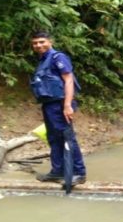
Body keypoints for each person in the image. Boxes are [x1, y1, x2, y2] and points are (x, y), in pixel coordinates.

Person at [30, 31, 86, 186]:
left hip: (60, 104)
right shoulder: (43, 60)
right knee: (53, 138)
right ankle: (58, 171)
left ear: (50, 41)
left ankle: (79, 173)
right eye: (35, 43)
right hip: (49, 104)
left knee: (67, 137)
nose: (38, 45)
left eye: (42, 42)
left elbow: (68, 80)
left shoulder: (58, 57)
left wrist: (67, 105)